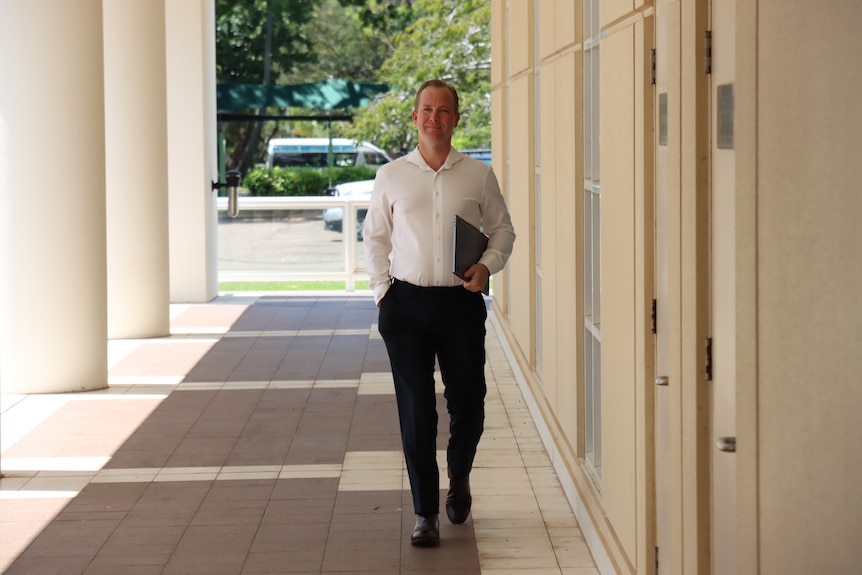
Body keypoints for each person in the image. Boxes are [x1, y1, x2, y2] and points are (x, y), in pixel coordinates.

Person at [363, 79, 516, 546]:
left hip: (459, 303)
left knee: (468, 405)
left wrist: (487, 268)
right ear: (415, 117)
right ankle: (425, 512)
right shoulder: (391, 176)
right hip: (405, 307)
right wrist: (382, 295)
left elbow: (503, 231)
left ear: (456, 118)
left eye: (444, 110)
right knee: (417, 410)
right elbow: (375, 238)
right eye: (426, 109)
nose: (434, 118)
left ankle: (460, 476)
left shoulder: (477, 175)